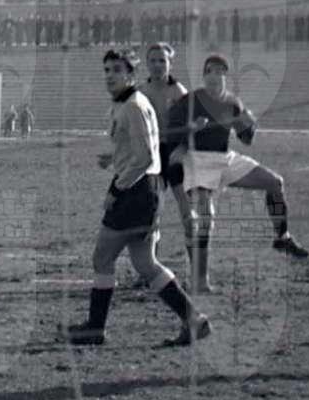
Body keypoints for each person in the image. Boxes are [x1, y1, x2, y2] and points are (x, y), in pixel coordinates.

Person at [67, 48, 209, 349]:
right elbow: (141, 150)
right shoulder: (128, 103)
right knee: (145, 262)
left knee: (102, 258)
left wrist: (116, 189)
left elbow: (144, 157)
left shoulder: (133, 105)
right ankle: (193, 319)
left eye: (117, 70)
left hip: (135, 192)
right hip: (146, 190)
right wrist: (115, 159)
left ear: (131, 75)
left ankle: (95, 328)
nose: (110, 76)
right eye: (107, 70)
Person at [164, 54, 309, 288]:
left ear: (226, 76)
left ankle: (282, 237)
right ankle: (200, 280)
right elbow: (170, 132)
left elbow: (246, 139)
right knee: (205, 218)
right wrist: (190, 130)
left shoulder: (233, 102)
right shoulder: (190, 100)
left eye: (219, 71)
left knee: (275, 182)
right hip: (197, 159)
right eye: (210, 71)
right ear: (203, 76)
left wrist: (250, 125)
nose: (215, 76)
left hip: (225, 158)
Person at [141, 43, 197, 286]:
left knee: (187, 212)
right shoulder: (141, 92)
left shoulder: (179, 92)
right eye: (153, 60)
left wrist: (183, 148)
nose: (157, 65)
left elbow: (192, 125)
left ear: (170, 64)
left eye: (162, 60)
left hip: (174, 154)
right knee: (150, 214)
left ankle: (197, 272)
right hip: (152, 157)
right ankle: (149, 270)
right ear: (147, 63)